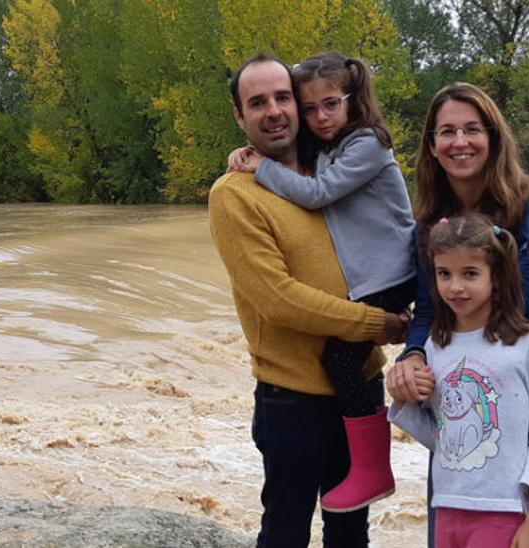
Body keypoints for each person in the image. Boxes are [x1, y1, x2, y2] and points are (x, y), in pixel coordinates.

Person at [208, 52, 410, 547]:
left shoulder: (331, 163)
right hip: (291, 401)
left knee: (350, 533)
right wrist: (373, 324)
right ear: (240, 116)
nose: (274, 110)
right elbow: (279, 300)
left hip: (359, 384)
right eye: (258, 103)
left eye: (283, 98)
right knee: (285, 530)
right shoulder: (235, 194)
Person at [386, 82, 529, 547]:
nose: (459, 141)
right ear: (432, 145)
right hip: (469, 454)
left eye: (472, 129)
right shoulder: (429, 225)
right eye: (447, 131)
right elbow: (428, 314)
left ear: (494, 138)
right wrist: (414, 357)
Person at [388, 213, 529, 548]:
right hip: (447, 506)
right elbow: (445, 439)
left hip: (505, 510)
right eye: (444, 274)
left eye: (470, 273)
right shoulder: (435, 346)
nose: (455, 286)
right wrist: (403, 398)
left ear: (496, 277)